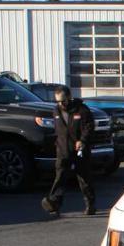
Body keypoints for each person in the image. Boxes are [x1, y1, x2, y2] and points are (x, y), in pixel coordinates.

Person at [41, 85, 96, 217]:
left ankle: (90, 205)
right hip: (63, 149)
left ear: (70, 98)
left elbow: (89, 127)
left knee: (84, 178)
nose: (61, 104)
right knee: (60, 177)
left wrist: (82, 140)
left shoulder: (81, 110)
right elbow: (57, 130)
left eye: (63, 100)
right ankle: (54, 204)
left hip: (79, 150)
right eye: (58, 101)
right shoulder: (56, 111)